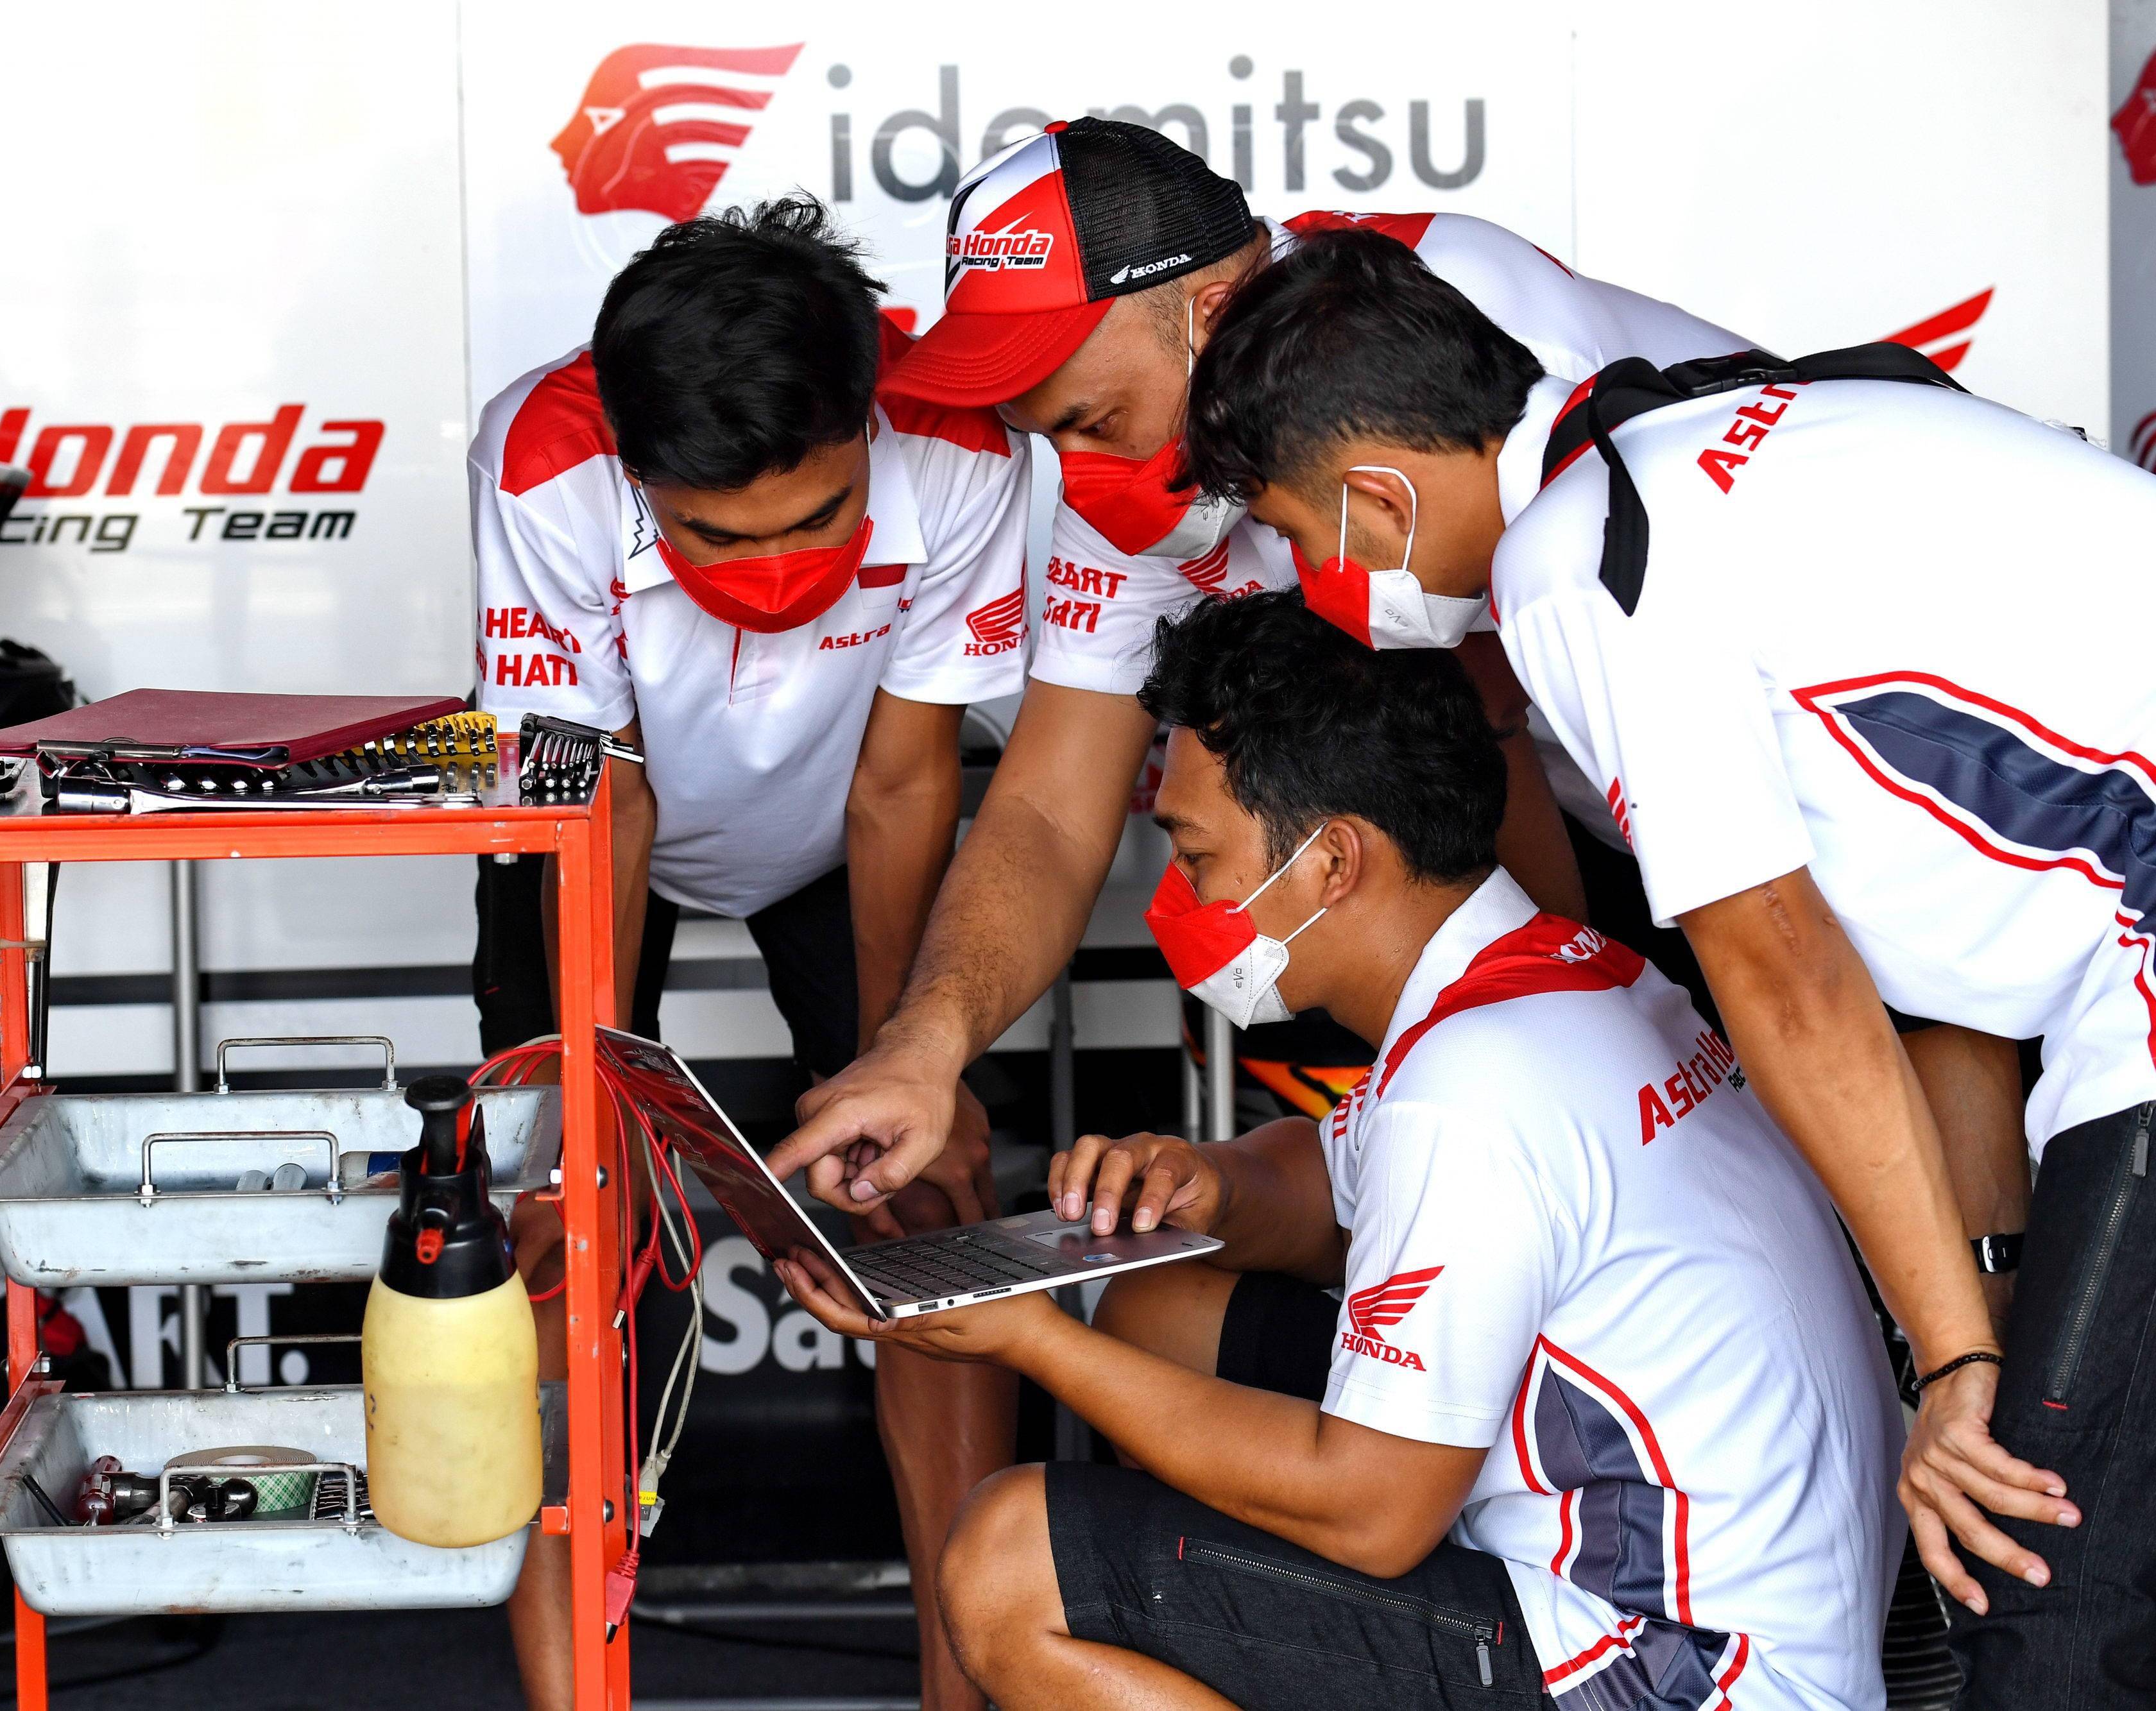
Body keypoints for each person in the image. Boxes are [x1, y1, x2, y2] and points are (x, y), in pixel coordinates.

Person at [1179, 226, 2149, 1706]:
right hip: (2109, 960)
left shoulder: (1579, 561)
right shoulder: (1697, 423)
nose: (1319, 582)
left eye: (1300, 535)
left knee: (2031, 1564)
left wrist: (1954, 1357)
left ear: (1376, 496)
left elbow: (1785, 974)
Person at [776, 590, 1904, 1711]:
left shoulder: (1470, 1091)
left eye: (1197, 853)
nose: (1185, 895)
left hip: (1674, 1673)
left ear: (1331, 863)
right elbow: (1327, 1183)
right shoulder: (1559, 978)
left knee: (1012, 1561)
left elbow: (1373, 1515)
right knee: (1159, 1313)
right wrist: (1209, 1182)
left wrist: (1033, 1339)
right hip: (1752, 1610)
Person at [774, 116, 1743, 1184]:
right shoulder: (1140, 476)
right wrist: (924, 1047)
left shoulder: (1438, 326)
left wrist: (1572, 1028)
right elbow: (1050, 809)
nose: (1080, 478)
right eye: (1049, 439)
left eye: (1095, 418)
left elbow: (1494, 711)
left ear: (1212, 313)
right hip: (1583, 828)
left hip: (1761, 782)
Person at [468, 195, 1027, 1711]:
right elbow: (604, 797)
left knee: (929, 1193)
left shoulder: (962, 446)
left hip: (845, 820)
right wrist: (584, 1116)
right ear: (636, 469)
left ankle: (966, 1682)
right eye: (719, 532)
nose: (776, 568)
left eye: (818, 520)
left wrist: (904, 1062)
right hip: (599, 822)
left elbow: (902, 781)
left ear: (865, 427)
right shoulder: (540, 460)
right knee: (554, 1222)